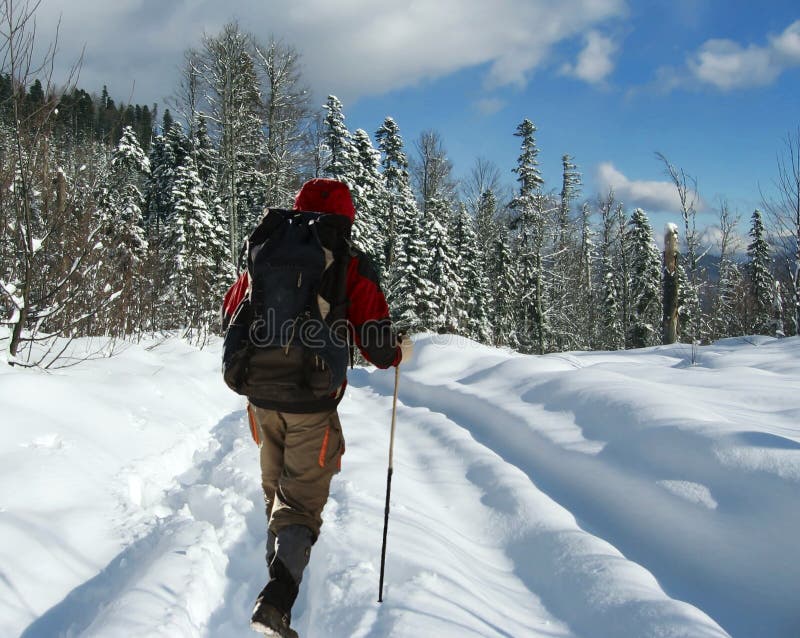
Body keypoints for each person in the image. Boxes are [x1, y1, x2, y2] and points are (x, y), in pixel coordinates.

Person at [221, 178, 413, 638]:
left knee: (277, 490)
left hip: (261, 396)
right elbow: (374, 340)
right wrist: (395, 351)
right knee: (301, 503)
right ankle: (277, 601)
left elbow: (231, 314)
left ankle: (277, 573)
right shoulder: (346, 259)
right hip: (312, 398)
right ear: (346, 217)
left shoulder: (268, 248)